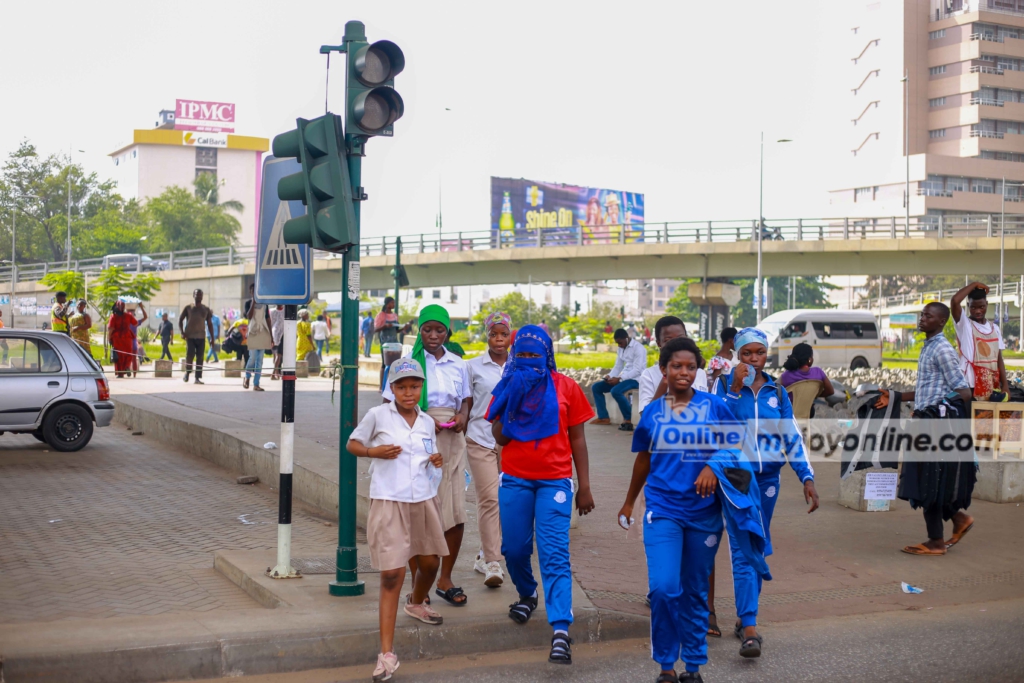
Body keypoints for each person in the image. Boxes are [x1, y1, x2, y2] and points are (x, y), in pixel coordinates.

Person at [619, 336, 745, 683]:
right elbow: (643, 460)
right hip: (662, 510)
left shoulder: (715, 407)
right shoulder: (653, 414)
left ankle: (692, 666)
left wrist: (712, 466)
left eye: (691, 366)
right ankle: (665, 665)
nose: (684, 372)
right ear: (664, 369)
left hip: (704, 516)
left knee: (694, 592)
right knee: (662, 588)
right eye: (676, 366)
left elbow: (736, 448)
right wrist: (630, 500)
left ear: (698, 370)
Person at [487, 324, 595, 665]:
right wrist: (513, 396)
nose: (529, 360)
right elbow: (500, 438)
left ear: (548, 355)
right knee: (514, 549)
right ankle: (527, 592)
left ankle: (561, 629)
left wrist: (585, 486)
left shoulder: (567, 387)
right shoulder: (508, 383)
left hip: (555, 482)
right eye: (523, 355)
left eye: (536, 355)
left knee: (554, 553)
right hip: (516, 479)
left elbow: (577, 439)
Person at [712, 327, 818, 658]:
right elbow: (715, 426)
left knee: (757, 543)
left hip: (770, 478)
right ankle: (751, 627)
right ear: (737, 355)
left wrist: (807, 477)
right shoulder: (725, 385)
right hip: (736, 478)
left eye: (759, 353)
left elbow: (791, 437)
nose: (753, 359)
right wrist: (735, 388)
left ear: (766, 355)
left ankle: (746, 615)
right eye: (746, 354)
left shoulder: (777, 391)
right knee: (744, 544)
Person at [348, 358, 448, 682]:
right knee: (392, 574)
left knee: (431, 565)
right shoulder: (378, 415)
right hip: (389, 500)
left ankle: (416, 602)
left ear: (421, 387)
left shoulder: (428, 422)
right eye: (402, 387)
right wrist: (373, 453)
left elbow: (430, 458)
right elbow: (353, 443)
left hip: (422, 500)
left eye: (414, 386)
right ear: (391, 389)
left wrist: (436, 459)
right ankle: (386, 654)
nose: (408, 392)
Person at [382, 304, 472, 608]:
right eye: (427, 329)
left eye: (440, 329)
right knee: (418, 515)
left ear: (448, 332)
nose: (433, 335)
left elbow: (467, 398)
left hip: (452, 441)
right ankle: (418, 583)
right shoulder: (407, 363)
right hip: (418, 442)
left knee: (455, 512)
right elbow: (390, 404)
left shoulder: (459, 363)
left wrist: (462, 415)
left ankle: (444, 579)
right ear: (419, 329)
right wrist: (421, 417)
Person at [874, 303, 974, 556]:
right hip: (925, 422)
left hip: (934, 427)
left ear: (941, 322)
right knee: (928, 480)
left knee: (927, 481)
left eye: (928, 316)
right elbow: (927, 391)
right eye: (922, 315)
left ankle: (936, 542)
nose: (922, 319)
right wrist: (895, 396)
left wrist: (935, 415)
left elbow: (962, 391)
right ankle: (958, 520)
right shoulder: (929, 346)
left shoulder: (942, 349)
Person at [465, 311, 511, 588]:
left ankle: (484, 553)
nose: (498, 339)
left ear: (509, 337)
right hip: (480, 439)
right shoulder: (473, 367)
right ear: (487, 335)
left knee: (506, 501)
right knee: (489, 499)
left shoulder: (519, 365)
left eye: (503, 334)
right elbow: (466, 403)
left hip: (510, 443)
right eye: (493, 334)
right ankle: (494, 561)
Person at [951, 282, 1010, 400]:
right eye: (973, 307)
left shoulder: (995, 328)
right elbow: (955, 301)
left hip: (990, 385)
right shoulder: (965, 324)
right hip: (969, 385)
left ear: (987, 305)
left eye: (981, 307)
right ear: (968, 306)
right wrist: (974, 284)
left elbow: (999, 359)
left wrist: (1006, 386)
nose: (978, 311)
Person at [639, 316, 708, 413]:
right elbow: (645, 416)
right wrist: (665, 380)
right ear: (659, 343)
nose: (677, 343)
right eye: (669, 340)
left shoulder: (700, 373)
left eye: (681, 338)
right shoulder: (649, 375)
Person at [590, 328, 647, 431]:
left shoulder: (639, 348)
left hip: (636, 379)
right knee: (596, 387)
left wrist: (620, 378)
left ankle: (628, 419)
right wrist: (610, 376)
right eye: (617, 343)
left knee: (615, 391)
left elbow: (638, 370)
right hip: (624, 377)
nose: (619, 345)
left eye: (620, 342)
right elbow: (618, 366)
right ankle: (603, 417)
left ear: (626, 338)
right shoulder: (621, 348)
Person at [180, 289, 214, 385]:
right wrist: (182, 332)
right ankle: (187, 372)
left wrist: (212, 338)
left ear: (202, 297)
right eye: (196, 294)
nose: (198, 296)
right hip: (190, 336)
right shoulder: (188, 308)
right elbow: (180, 320)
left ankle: (197, 377)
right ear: (193, 295)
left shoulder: (206, 309)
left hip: (201, 337)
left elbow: (210, 324)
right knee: (189, 355)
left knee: (200, 357)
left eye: (200, 295)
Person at [244, 284, 273, 392]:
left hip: (263, 332)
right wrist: (253, 303)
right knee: (252, 358)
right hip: (253, 332)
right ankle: (247, 377)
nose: (255, 292)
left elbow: (268, 319)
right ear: (251, 292)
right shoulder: (248, 303)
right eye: (253, 291)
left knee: (260, 360)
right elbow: (249, 316)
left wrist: (271, 336)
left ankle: (256, 384)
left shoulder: (265, 304)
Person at [108, 300, 138, 379]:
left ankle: (120, 373)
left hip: (117, 338)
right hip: (127, 337)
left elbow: (110, 329)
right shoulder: (128, 316)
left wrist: (109, 339)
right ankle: (127, 366)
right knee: (128, 354)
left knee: (119, 355)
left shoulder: (113, 317)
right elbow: (136, 323)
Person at [129, 303, 148, 378]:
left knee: (129, 358)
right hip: (132, 342)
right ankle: (134, 374)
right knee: (133, 358)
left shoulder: (130, 322)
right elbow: (145, 317)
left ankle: (130, 373)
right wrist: (141, 307)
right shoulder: (135, 323)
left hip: (128, 342)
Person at [270, 305, 284, 380]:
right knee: (278, 355)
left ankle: (276, 372)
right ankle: (274, 373)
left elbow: (271, 323)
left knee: (276, 355)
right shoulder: (284, 311)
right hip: (279, 334)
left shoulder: (272, 311)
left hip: (275, 334)